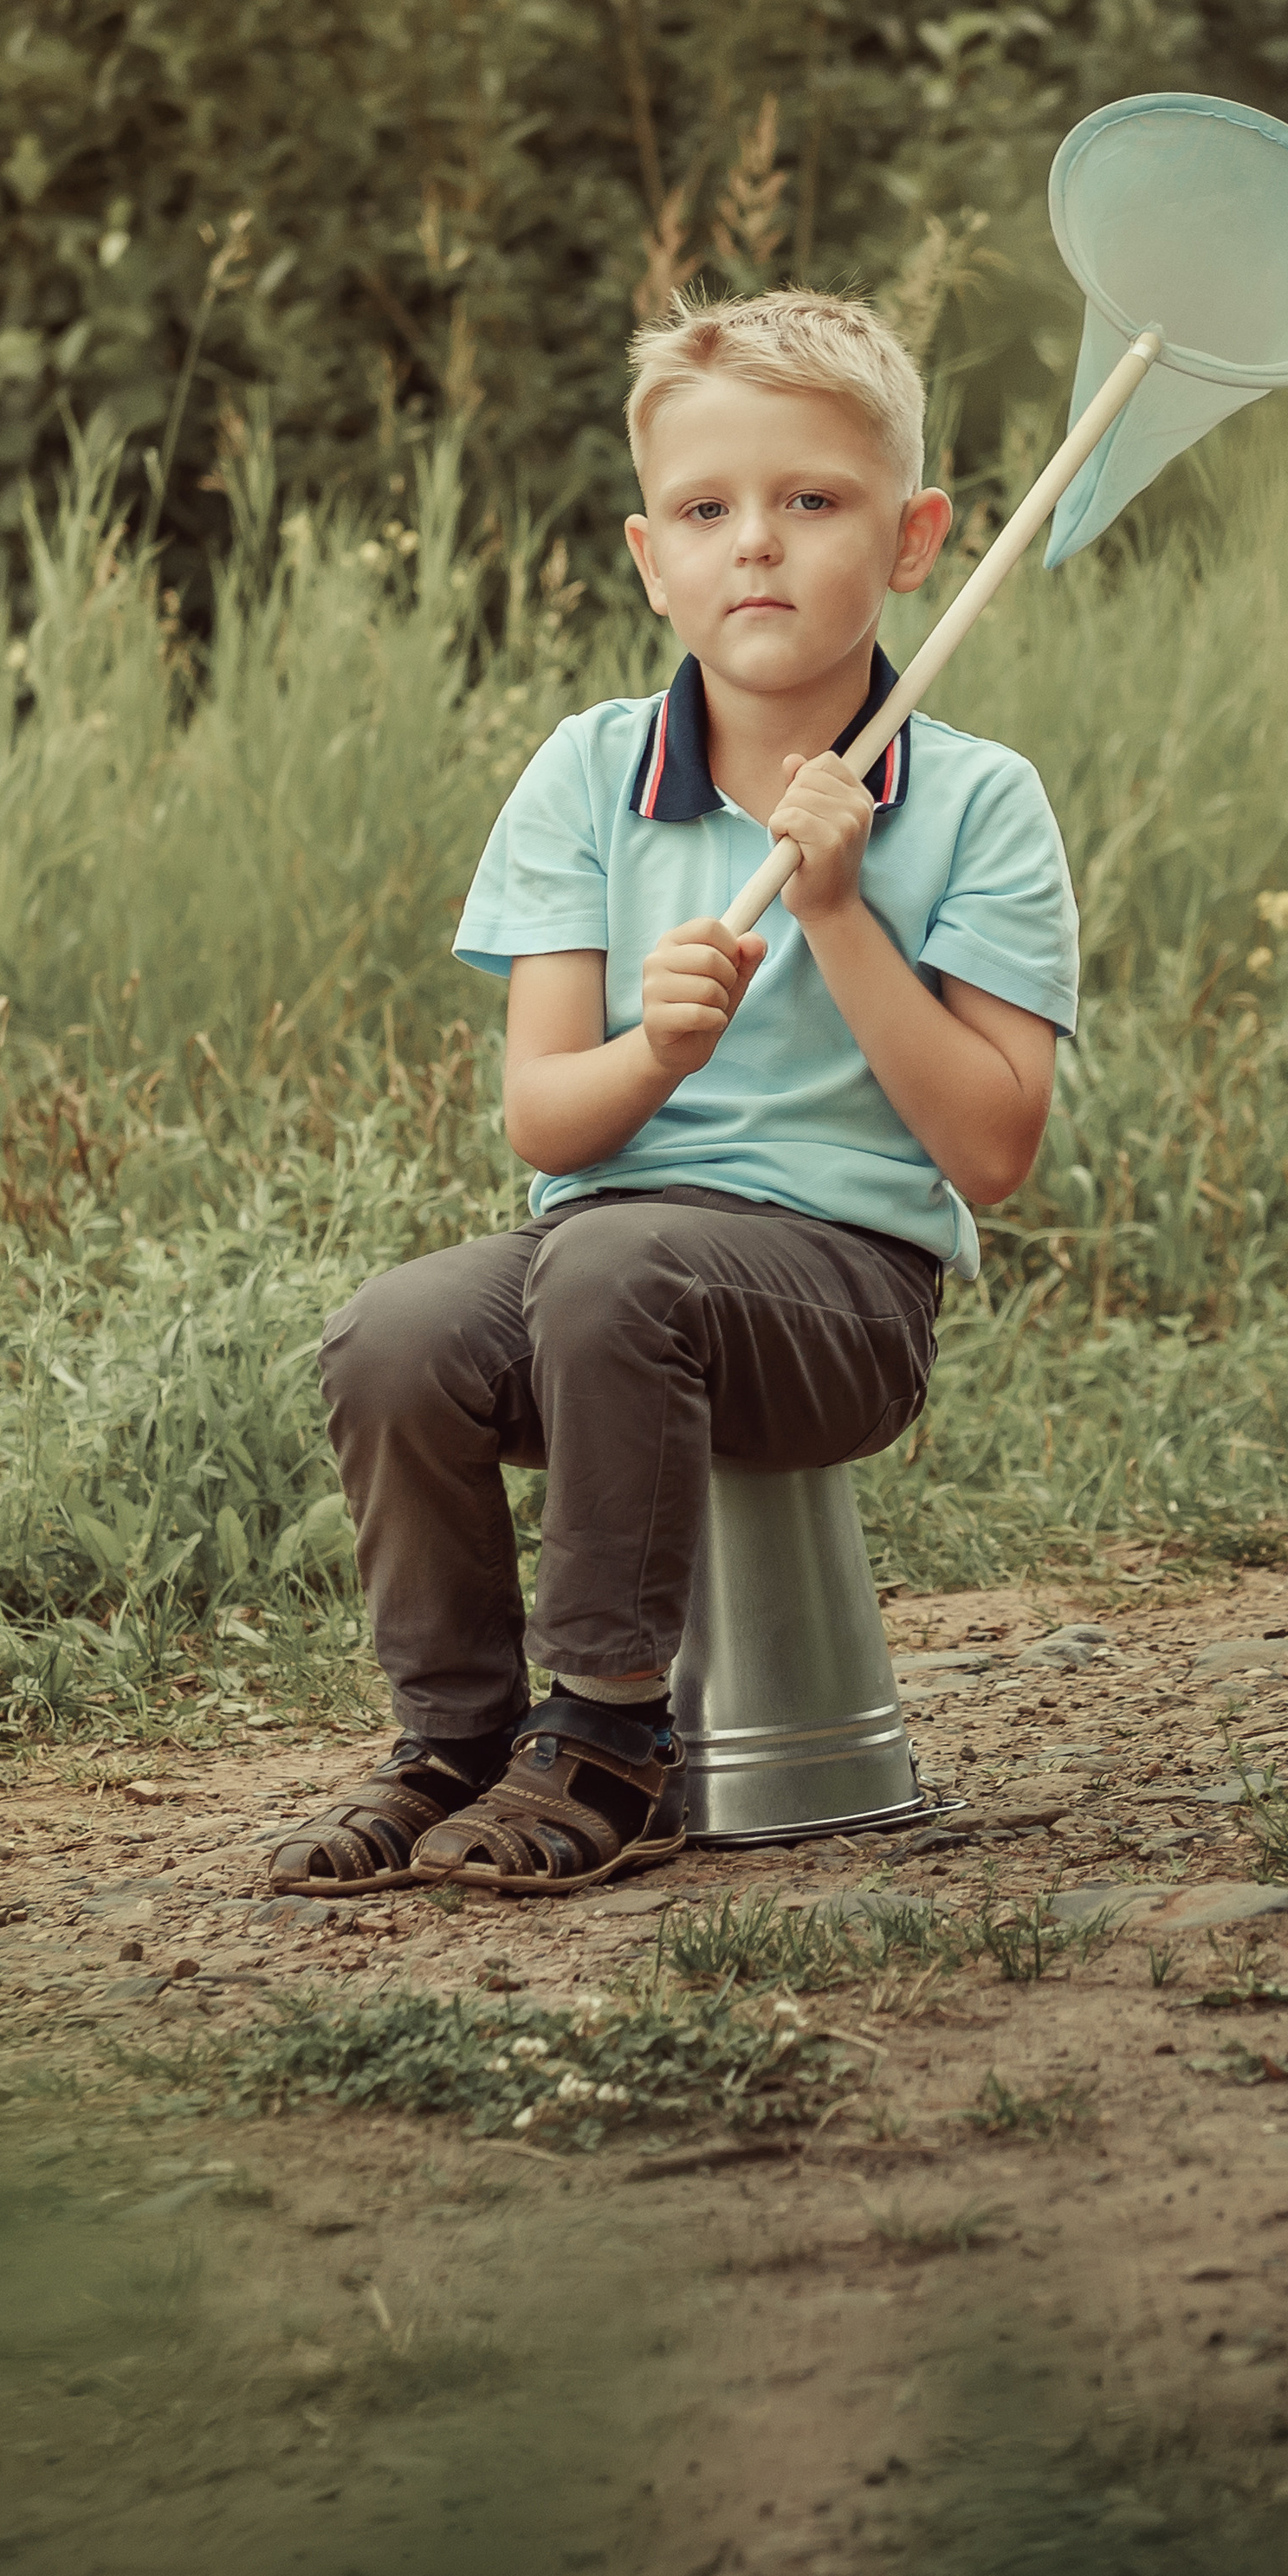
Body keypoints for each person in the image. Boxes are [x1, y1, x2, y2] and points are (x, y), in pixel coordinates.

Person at [268, 288, 1079, 1899]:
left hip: (841, 1308)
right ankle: (459, 1736)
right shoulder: (587, 774)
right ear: (652, 560)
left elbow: (993, 1152)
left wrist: (841, 917)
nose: (756, 547)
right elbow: (545, 1123)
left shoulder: (981, 801)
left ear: (915, 540)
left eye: (812, 501)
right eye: (708, 511)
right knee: (399, 1332)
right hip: (604, 1270)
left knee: (614, 1265)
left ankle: (613, 1735)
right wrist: (657, 1057)